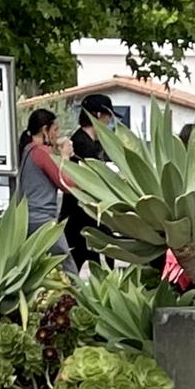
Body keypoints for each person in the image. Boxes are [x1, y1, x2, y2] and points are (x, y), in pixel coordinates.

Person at [61, 92, 114, 266]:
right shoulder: (82, 146)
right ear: (98, 116)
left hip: (85, 217)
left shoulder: (89, 143)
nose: (109, 123)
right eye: (108, 117)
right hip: (80, 217)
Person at [16, 109, 72, 251]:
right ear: (44, 130)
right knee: (66, 264)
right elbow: (66, 183)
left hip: (27, 218)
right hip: (43, 219)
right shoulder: (41, 152)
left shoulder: (27, 149)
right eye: (55, 130)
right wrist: (65, 157)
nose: (57, 134)